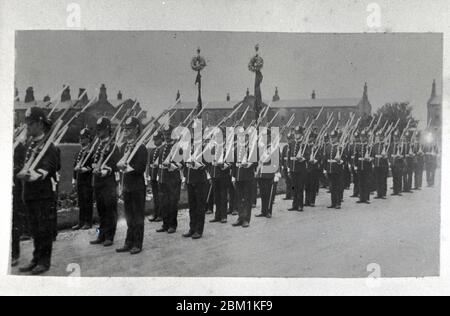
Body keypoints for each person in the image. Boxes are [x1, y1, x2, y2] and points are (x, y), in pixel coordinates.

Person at [17, 107, 60, 275]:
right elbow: (24, 164)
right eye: (27, 123)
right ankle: (36, 258)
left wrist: (33, 175)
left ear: (41, 124)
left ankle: (44, 261)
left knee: (44, 228)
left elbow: (50, 166)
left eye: (31, 123)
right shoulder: (30, 144)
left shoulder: (50, 147)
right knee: (35, 228)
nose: (28, 126)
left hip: (43, 194)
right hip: (30, 194)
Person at [116, 117, 148, 254]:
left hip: (137, 187)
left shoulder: (141, 147)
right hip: (127, 186)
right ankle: (128, 242)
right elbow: (118, 164)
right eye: (125, 129)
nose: (126, 132)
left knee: (137, 216)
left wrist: (126, 167)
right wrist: (119, 166)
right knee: (129, 217)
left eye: (129, 129)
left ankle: (137, 243)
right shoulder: (123, 147)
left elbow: (140, 168)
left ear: (136, 130)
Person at [90, 117, 119, 247]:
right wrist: (94, 167)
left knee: (109, 210)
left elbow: (115, 165)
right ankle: (101, 235)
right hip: (98, 182)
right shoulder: (98, 145)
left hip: (109, 183)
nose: (98, 132)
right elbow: (94, 160)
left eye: (100, 129)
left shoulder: (113, 146)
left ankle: (109, 236)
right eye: (97, 129)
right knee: (101, 210)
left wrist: (103, 171)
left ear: (107, 129)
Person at [182, 133, 209, 239]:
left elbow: (207, 164)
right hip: (190, 181)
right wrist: (185, 178)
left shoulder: (204, 148)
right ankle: (192, 228)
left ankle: (199, 230)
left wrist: (196, 164)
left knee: (199, 207)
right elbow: (185, 166)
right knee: (192, 207)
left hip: (199, 181)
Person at [156, 125, 182, 234]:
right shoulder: (161, 148)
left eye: (169, 134)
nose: (167, 137)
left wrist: (172, 166)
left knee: (172, 203)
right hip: (162, 179)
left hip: (173, 179)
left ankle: (172, 225)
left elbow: (181, 164)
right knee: (164, 203)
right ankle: (165, 224)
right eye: (165, 135)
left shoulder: (177, 148)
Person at [72, 128, 94, 230]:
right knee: (81, 201)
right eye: (80, 138)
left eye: (84, 138)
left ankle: (88, 222)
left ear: (89, 139)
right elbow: (74, 166)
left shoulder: (91, 152)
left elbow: (94, 165)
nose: (81, 140)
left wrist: (86, 169)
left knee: (87, 200)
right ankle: (80, 222)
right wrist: (74, 179)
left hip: (88, 179)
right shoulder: (79, 152)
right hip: (80, 180)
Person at [232, 132, 256, 228]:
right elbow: (234, 164)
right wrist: (233, 176)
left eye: (243, 137)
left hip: (247, 177)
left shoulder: (251, 148)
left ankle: (246, 219)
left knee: (247, 198)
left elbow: (256, 162)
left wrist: (250, 164)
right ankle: (240, 217)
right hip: (238, 177)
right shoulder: (237, 149)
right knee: (239, 198)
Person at [255, 129, 280, 218]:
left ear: (269, 137)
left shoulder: (274, 148)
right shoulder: (261, 147)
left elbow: (277, 161)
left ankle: (268, 211)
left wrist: (276, 173)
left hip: (269, 174)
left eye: (266, 137)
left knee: (269, 194)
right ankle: (263, 211)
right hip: (261, 173)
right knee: (263, 194)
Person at [209, 133, 232, 224]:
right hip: (214, 175)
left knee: (223, 196)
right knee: (216, 196)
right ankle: (217, 215)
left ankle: (223, 216)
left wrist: (223, 165)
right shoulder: (213, 148)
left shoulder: (226, 148)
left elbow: (230, 162)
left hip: (223, 175)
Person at [12, 141, 26, 267]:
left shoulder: (18, 145)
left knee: (13, 221)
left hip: (13, 186)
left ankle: (14, 254)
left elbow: (22, 165)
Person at [288, 126, 308, 212]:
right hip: (293, 169)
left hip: (301, 170)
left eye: (298, 134)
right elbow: (289, 156)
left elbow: (308, 155)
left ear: (301, 134)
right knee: (294, 187)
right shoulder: (292, 143)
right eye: (295, 134)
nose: (296, 135)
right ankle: (294, 205)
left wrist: (304, 158)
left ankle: (300, 205)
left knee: (300, 188)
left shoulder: (304, 144)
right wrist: (289, 168)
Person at [324, 130, 344, 209]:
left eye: (334, 137)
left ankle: (338, 203)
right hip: (330, 169)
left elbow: (345, 158)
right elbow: (325, 159)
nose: (332, 139)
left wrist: (340, 161)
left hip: (337, 170)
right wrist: (325, 169)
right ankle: (333, 203)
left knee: (338, 186)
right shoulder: (328, 147)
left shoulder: (340, 147)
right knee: (332, 187)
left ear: (337, 138)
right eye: (331, 138)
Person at [148, 131, 164, 222]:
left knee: (160, 196)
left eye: (157, 139)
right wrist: (150, 176)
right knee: (155, 196)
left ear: (161, 139)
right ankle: (156, 213)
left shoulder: (162, 149)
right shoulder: (153, 151)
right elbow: (150, 165)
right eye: (154, 140)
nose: (155, 141)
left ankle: (161, 214)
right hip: (154, 177)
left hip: (160, 177)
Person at [356, 130, 373, 204]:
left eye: (363, 137)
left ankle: (366, 198)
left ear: (366, 137)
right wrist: (356, 165)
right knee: (360, 182)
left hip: (367, 166)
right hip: (360, 166)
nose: (362, 138)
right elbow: (357, 156)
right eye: (361, 137)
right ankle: (361, 197)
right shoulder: (358, 145)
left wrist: (370, 159)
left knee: (366, 182)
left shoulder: (369, 146)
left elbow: (372, 155)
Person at [305, 132, 321, 207]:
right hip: (307, 168)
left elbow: (320, 156)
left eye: (310, 138)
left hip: (314, 169)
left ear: (313, 139)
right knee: (307, 185)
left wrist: (316, 160)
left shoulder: (316, 147)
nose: (309, 139)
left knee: (313, 185)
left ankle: (312, 201)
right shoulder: (306, 147)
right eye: (308, 138)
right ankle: (307, 200)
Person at [373, 131, 389, 199]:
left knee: (383, 179)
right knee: (378, 179)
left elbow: (388, 153)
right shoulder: (375, 145)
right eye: (379, 136)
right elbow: (373, 154)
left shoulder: (385, 145)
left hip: (383, 164)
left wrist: (386, 156)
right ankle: (379, 193)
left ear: (383, 137)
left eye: (381, 136)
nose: (380, 137)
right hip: (377, 164)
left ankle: (383, 193)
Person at [391, 131, 405, 196]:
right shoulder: (391, 145)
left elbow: (403, 154)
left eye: (397, 137)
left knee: (399, 177)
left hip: (399, 163)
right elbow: (389, 153)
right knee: (394, 178)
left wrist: (400, 156)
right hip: (393, 163)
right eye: (394, 137)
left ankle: (399, 190)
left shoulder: (401, 145)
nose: (395, 138)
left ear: (399, 138)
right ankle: (395, 190)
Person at [281, 131, 294, 200]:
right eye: (288, 139)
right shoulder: (285, 147)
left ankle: (292, 194)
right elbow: (283, 157)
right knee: (287, 182)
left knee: (292, 182)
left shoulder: (293, 147)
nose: (289, 140)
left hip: (291, 167)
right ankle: (287, 195)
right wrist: (283, 166)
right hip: (285, 167)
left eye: (290, 139)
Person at [349, 131, 361, 198]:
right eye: (355, 137)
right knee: (355, 179)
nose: (356, 139)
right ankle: (355, 192)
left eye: (357, 137)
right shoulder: (351, 146)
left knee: (359, 179)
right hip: (352, 163)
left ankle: (359, 192)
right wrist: (350, 164)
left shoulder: (360, 145)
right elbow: (350, 155)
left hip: (358, 164)